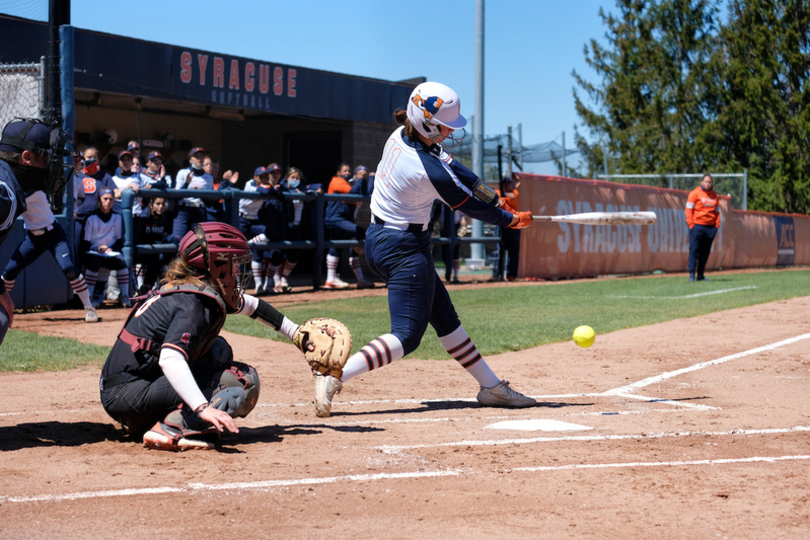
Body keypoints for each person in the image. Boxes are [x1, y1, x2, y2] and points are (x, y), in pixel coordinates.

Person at [310, 81, 534, 417]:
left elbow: (455, 166)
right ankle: (335, 373)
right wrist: (508, 219)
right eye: (445, 126)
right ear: (427, 122)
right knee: (407, 335)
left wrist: (488, 193)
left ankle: (491, 387)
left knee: (444, 317)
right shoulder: (424, 170)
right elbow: (467, 205)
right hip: (403, 248)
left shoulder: (401, 135)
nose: (449, 133)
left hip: (384, 239)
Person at [99, 222, 308, 451]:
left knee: (218, 350)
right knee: (242, 381)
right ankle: (171, 429)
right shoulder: (195, 302)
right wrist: (202, 408)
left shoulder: (190, 287)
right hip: (128, 395)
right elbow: (170, 358)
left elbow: (249, 305)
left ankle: (157, 419)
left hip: (125, 388)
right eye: (233, 263)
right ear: (216, 265)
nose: (238, 270)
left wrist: (296, 334)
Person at [0, 118, 99, 328]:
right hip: (33, 237)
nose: (50, 167)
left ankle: (89, 306)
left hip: (52, 234)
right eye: (45, 157)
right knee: (8, 274)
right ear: (26, 157)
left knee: (70, 268)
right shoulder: (11, 190)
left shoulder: (15, 182)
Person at [323, 163, 373, 289]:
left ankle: (332, 279)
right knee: (359, 231)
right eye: (345, 171)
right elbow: (352, 191)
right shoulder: (337, 181)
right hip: (336, 219)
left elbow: (364, 193)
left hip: (345, 220)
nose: (347, 173)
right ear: (338, 172)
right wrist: (360, 179)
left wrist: (369, 179)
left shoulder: (351, 183)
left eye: (349, 171)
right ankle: (332, 278)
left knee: (337, 248)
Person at [81, 188, 132, 308]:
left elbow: (119, 240)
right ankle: (89, 299)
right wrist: (98, 248)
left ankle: (125, 297)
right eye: (105, 199)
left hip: (110, 253)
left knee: (122, 264)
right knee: (94, 263)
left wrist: (110, 249)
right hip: (93, 252)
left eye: (111, 199)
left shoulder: (117, 217)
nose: (108, 202)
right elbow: (85, 243)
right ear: (99, 201)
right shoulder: (91, 218)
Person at [74, 146, 118, 258]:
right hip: (79, 218)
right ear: (83, 158)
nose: (92, 159)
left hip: (96, 219)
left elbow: (116, 192)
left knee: (94, 248)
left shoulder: (104, 176)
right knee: (76, 245)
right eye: (89, 157)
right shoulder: (76, 175)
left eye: (94, 157)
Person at [133, 197, 177, 294]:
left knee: (172, 245)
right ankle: (147, 287)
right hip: (144, 252)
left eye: (163, 204)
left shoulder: (166, 218)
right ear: (151, 205)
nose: (161, 207)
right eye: (158, 204)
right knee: (155, 257)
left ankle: (167, 285)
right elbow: (141, 238)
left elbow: (166, 236)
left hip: (158, 250)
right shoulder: (143, 218)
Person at [685, 173, 721, 282]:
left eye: (710, 182)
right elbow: (688, 210)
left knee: (705, 252)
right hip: (697, 226)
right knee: (694, 250)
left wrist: (716, 226)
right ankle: (692, 274)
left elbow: (718, 212)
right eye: (706, 181)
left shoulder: (715, 196)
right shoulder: (695, 194)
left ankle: (700, 275)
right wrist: (691, 224)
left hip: (710, 228)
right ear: (701, 182)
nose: (708, 184)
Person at [172, 147, 211, 240]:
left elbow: (210, 200)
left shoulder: (209, 177)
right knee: (177, 239)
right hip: (183, 209)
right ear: (190, 160)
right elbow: (176, 195)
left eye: (202, 157)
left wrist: (201, 193)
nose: (199, 159)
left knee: (199, 242)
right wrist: (186, 184)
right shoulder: (183, 172)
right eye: (196, 157)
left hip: (199, 210)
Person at [491, 176, 522, 282]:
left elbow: (512, 197)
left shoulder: (515, 193)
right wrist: (500, 198)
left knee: (513, 252)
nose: (508, 186)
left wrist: (501, 198)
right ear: (502, 185)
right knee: (499, 250)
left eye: (509, 184)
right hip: (501, 225)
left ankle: (511, 275)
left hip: (513, 226)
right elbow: (496, 199)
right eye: (505, 184)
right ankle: (497, 274)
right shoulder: (497, 192)